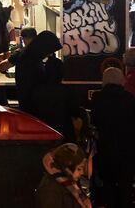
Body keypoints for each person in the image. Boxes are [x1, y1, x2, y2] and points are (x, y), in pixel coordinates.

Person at [90, 67, 135, 208]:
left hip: (105, 144)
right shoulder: (129, 98)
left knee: (107, 180)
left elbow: (94, 120)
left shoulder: (97, 97)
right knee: (125, 182)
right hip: (127, 146)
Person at [36, 143, 92, 208]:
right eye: (79, 169)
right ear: (67, 168)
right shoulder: (50, 191)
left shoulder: (69, 183)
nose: (82, 173)